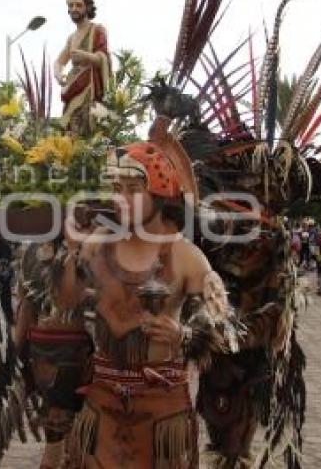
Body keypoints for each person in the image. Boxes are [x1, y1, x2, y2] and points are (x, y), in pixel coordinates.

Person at [60, 142, 231, 468]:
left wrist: (184, 335)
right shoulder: (99, 246)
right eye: (116, 188)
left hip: (161, 408)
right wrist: (73, 252)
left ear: (160, 192)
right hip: (103, 401)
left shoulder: (187, 257)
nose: (120, 198)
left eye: (133, 189)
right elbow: (65, 301)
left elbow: (221, 323)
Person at [14, 233, 93, 469]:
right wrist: (16, 359)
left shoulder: (101, 246)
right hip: (46, 355)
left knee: (83, 438)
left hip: (88, 352)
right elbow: (27, 306)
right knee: (55, 433)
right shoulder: (33, 250)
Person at [53, 0, 111, 137]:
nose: (74, 9)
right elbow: (59, 61)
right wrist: (58, 74)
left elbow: (102, 58)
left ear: (88, 7)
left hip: (90, 91)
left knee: (85, 130)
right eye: (71, 5)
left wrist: (86, 56)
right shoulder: (71, 38)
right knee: (69, 129)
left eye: (78, 5)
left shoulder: (97, 30)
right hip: (73, 87)